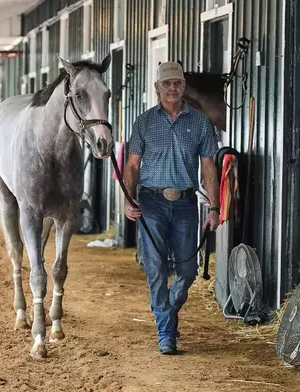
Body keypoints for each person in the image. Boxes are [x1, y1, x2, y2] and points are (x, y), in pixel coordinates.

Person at [123, 61, 220, 355]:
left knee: (188, 270)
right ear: (157, 88)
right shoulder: (144, 123)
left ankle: (168, 309)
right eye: (166, 84)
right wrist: (129, 200)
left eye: (177, 83)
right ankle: (166, 331)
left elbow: (209, 168)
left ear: (184, 87)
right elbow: (131, 166)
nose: (172, 89)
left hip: (186, 203)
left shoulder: (201, 123)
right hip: (150, 201)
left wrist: (215, 207)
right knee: (154, 266)